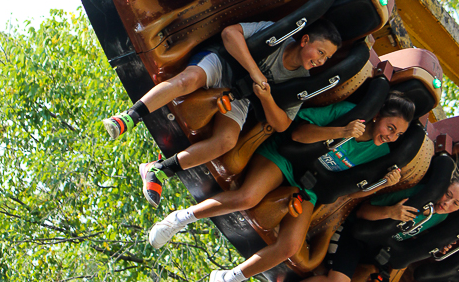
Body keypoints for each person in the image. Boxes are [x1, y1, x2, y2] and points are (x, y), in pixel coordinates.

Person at [147, 91, 416, 282]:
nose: (390, 136)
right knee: (247, 197)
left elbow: (352, 191)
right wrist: (341, 132)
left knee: (290, 247)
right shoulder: (347, 114)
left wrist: (381, 184)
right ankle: (178, 219)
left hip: (313, 184)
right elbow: (299, 134)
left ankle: (231, 277)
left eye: (398, 135)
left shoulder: (381, 155)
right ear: (378, 115)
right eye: (390, 127)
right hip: (288, 158)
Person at [104, 18, 342, 208]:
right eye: (321, 52)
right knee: (189, 80)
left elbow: (282, 124)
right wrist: (254, 72)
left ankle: (159, 170)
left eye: (327, 58)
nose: (322, 61)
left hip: (241, 97)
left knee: (227, 141)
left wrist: (267, 98)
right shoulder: (276, 32)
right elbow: (230, 34)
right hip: (223, 65)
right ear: (305, 40)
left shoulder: (303, 81)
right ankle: (129, 116)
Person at [306, 162, 459, 282]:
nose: (447, 204)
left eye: (456, 203)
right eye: (448, 194)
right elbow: (362, 212)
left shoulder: (442, 216)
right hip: (353, 236)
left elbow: (413, 234)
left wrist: (440, 243)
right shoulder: (416, 195)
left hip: (376, 250)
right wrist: (390, 212)